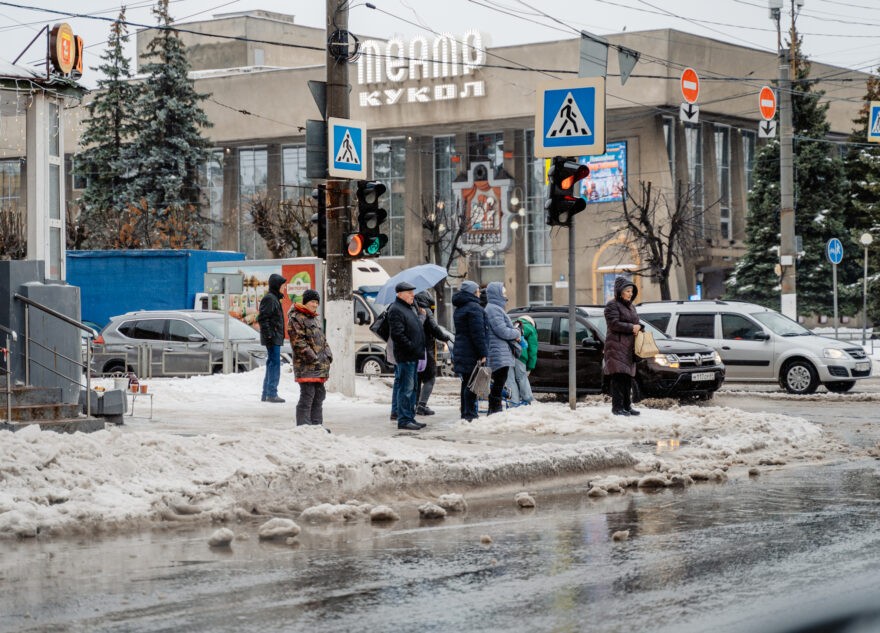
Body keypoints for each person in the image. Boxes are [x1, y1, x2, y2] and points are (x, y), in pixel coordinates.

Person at [287, 289, 333, 427]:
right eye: (312, 301)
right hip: (306, 365)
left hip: (319, 366)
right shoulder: (296, 317)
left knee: (319, 396)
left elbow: (322, 340)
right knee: (308, 396)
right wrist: (314, 358)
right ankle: (304, 427)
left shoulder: (314, 318)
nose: (314, 305)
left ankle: (317, 426)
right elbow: (298, 342)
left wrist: (328, 354)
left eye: (317, 302)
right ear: (306, 302)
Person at [387, 281, 426, 431]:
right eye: (409, 293)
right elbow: (398, 334)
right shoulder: (396, 309)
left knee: (413, 388)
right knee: (406, 389)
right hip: (406, 356)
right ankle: (403, 420)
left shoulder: (407, 308)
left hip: (413, 355)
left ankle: (409, 417)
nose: (412, 295)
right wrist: (411, 347)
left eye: (412, 292)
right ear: (400, 294)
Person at [603, 276, 642, 416]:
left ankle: (627, 405)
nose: (630, 293)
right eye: (628, 291)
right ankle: (617, 407)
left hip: (629, 348)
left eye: (631, 291)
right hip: (616, 347)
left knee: (627, 379)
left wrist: (639, 327)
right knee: (618, 378)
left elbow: (635, 322)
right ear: (620, 292)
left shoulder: (631, 306)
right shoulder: (612, 305)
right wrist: (632, 327)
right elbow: (613, 324)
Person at [452, 280, 487, 422]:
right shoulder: (474, 308)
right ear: (473, 292)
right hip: (471, 351)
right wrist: (483, 353)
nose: (479, 293)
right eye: (478, 290)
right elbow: (478, 334)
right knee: (472, 384)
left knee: (466, 382)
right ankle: (470, 414)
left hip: (462, 349)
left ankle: (465, 413)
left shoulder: (461, 307)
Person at [483, 282, 521, 415]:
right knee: (498, 384)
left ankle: (494, 410)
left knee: (499, 384)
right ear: (496, 294)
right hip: (498, 353)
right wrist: (517, 332)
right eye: (503, 292)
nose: (505, 295)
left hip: (500, 352)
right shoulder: (493, 309)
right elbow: (502, 331)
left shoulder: (495, 308)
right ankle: (495, 411)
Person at [414, 291, 452, 416]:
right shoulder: (426, 311)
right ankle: (422, 405)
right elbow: (434, 328)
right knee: (430, 378)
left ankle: (415, 404)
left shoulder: (413, 308)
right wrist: (445, 337)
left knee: (418, 379)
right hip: (426, 350)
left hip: (416, 348)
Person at [257, 273, 287, 403]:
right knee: (274, 365)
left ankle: (267, 394)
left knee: (272, 364)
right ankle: (271, 394)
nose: (284, 288)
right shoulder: (270, 299)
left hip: (274, 337)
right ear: (277, 285)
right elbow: (263, 318)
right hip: (272, 337)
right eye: (282, 286)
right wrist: (269, 334)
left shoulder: (274, 298)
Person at [505, 315, 537, 405]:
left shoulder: (512, 324)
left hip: (507, 355)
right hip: (520, 356)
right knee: (522, 378)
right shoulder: (531, 329)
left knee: (510, 379)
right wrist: (530, 366)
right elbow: (532, 349)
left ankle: (513, 402)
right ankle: (528, 400)